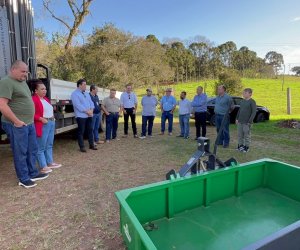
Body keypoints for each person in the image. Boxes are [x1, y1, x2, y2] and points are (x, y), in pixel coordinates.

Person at [0, 60, 48, 188]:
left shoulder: (22, 83)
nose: (25, 74)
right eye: (23, 71)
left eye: (26, 71)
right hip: (16, 124)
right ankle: (23, 178)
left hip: (29, 123)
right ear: (13, 69)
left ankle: (32, 173)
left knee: (32, 149)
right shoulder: (6, 82)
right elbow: (2, 105)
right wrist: (16, 121)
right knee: (20, 152)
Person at [31, 79, 62, 174]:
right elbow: (31, 114)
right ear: (36, 91)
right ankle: (43, 166)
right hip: (42, 124)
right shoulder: (33, 99)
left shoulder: (46, 99)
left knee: (49, 144)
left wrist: (52, 117)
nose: (45, 90)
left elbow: (49, 110)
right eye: (42, 89)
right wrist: (40, 119)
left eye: (45, 89)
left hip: (50, 123)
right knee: (41, 147)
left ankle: (50, 162)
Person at [71, 79, 97, 152]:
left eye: (86, 84)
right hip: (81, 116)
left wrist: (91, 110)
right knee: (81, 131)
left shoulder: (86, 94)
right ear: (79, 85)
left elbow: (91, 102)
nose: (86, 86)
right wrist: (87, 111)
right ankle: (82, 147)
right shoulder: (74, 94)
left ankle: (91, 145)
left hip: (89, 115)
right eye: (84, 84)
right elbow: (77, 105)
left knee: (90, 130)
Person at [236, 88, 257, 153]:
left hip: (247, 122)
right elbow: (240, 110)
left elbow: (253, 112)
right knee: (240, 135)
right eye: (243, 93)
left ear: (250, 94)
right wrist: (237, 118)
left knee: (246, 135)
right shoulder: (242, 101)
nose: (243, 94)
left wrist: (249, 121)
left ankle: (246, 147)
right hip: (240, 121)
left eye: (245, 93)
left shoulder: (252, 101)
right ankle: (240, 146)